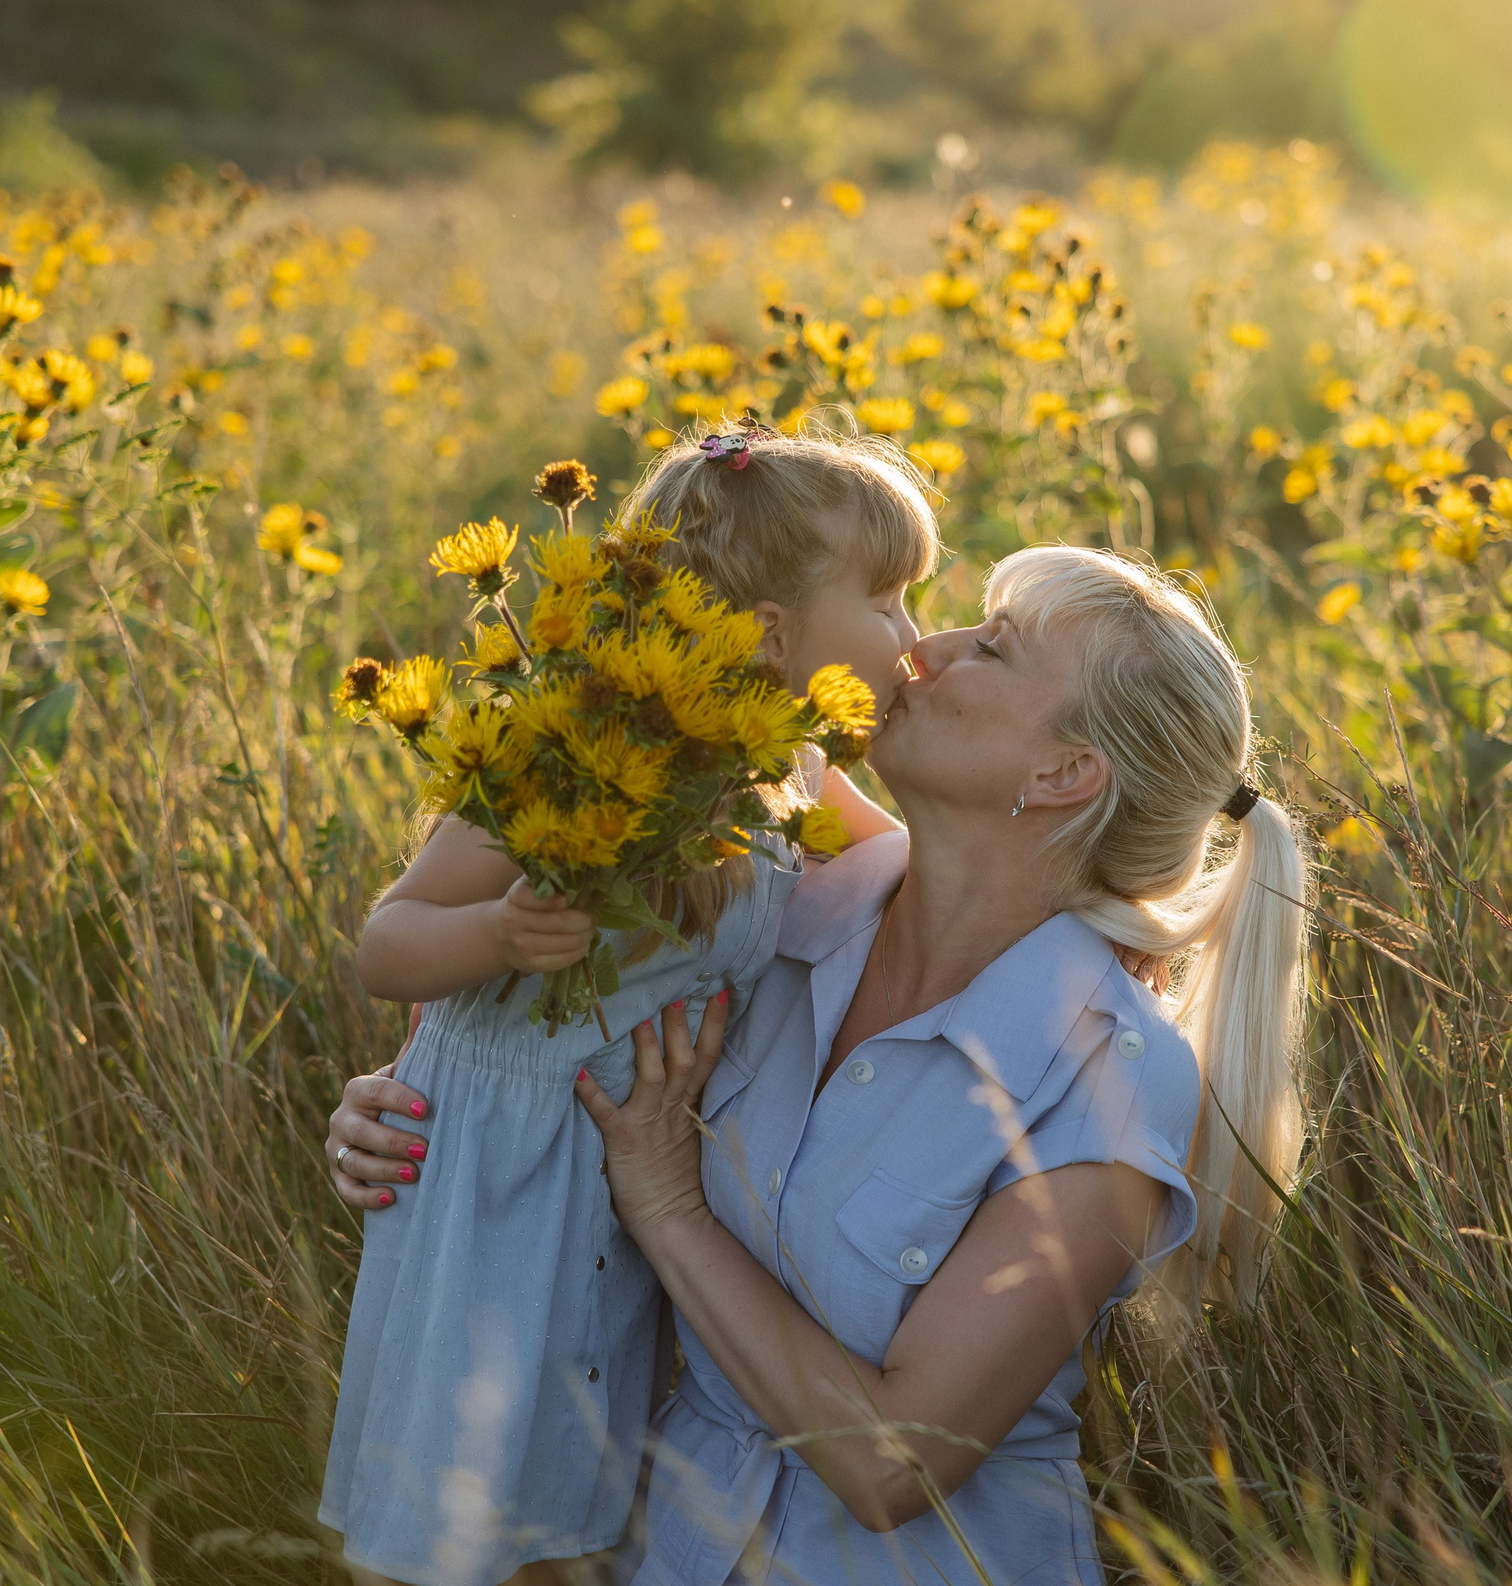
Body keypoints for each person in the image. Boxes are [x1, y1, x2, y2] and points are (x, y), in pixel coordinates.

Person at [335, 545, 1312, 1584]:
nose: (921, 653)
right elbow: (541, 1033)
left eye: (989, 647)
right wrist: (408, 1111)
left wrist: (670, 1209)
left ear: (1061, 775)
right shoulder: (772, 913)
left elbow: (898, 1466)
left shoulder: (1109, 1078)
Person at [317, 428, 935, 1586]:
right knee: (472, 1515)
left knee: (589, 1507)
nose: (913, 635)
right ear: (768, 635)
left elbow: (897, 864)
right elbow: (387, 944)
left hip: (633, 1176)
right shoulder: (572, 751)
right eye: (892, 599)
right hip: (504, 1179)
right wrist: (498, 935)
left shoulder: (789, 767)